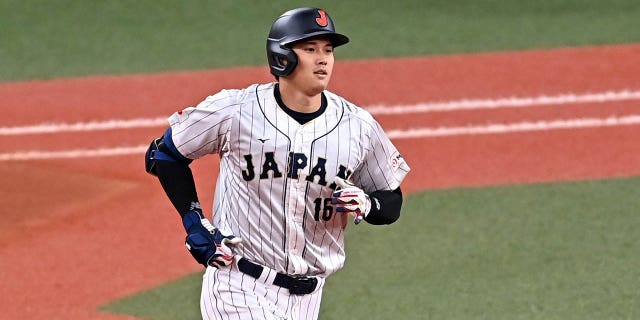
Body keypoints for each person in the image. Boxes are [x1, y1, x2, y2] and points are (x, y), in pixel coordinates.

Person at [145, 7, 410, 320]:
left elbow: (391, 199)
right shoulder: (236, 111)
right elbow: (163, 155)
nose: (323, 59)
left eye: (328, 50)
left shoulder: (357, 126)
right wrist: (193, 221)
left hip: (309, 298)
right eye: (310, 49)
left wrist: (367, 203)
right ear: (281, 57)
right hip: (238, 285)